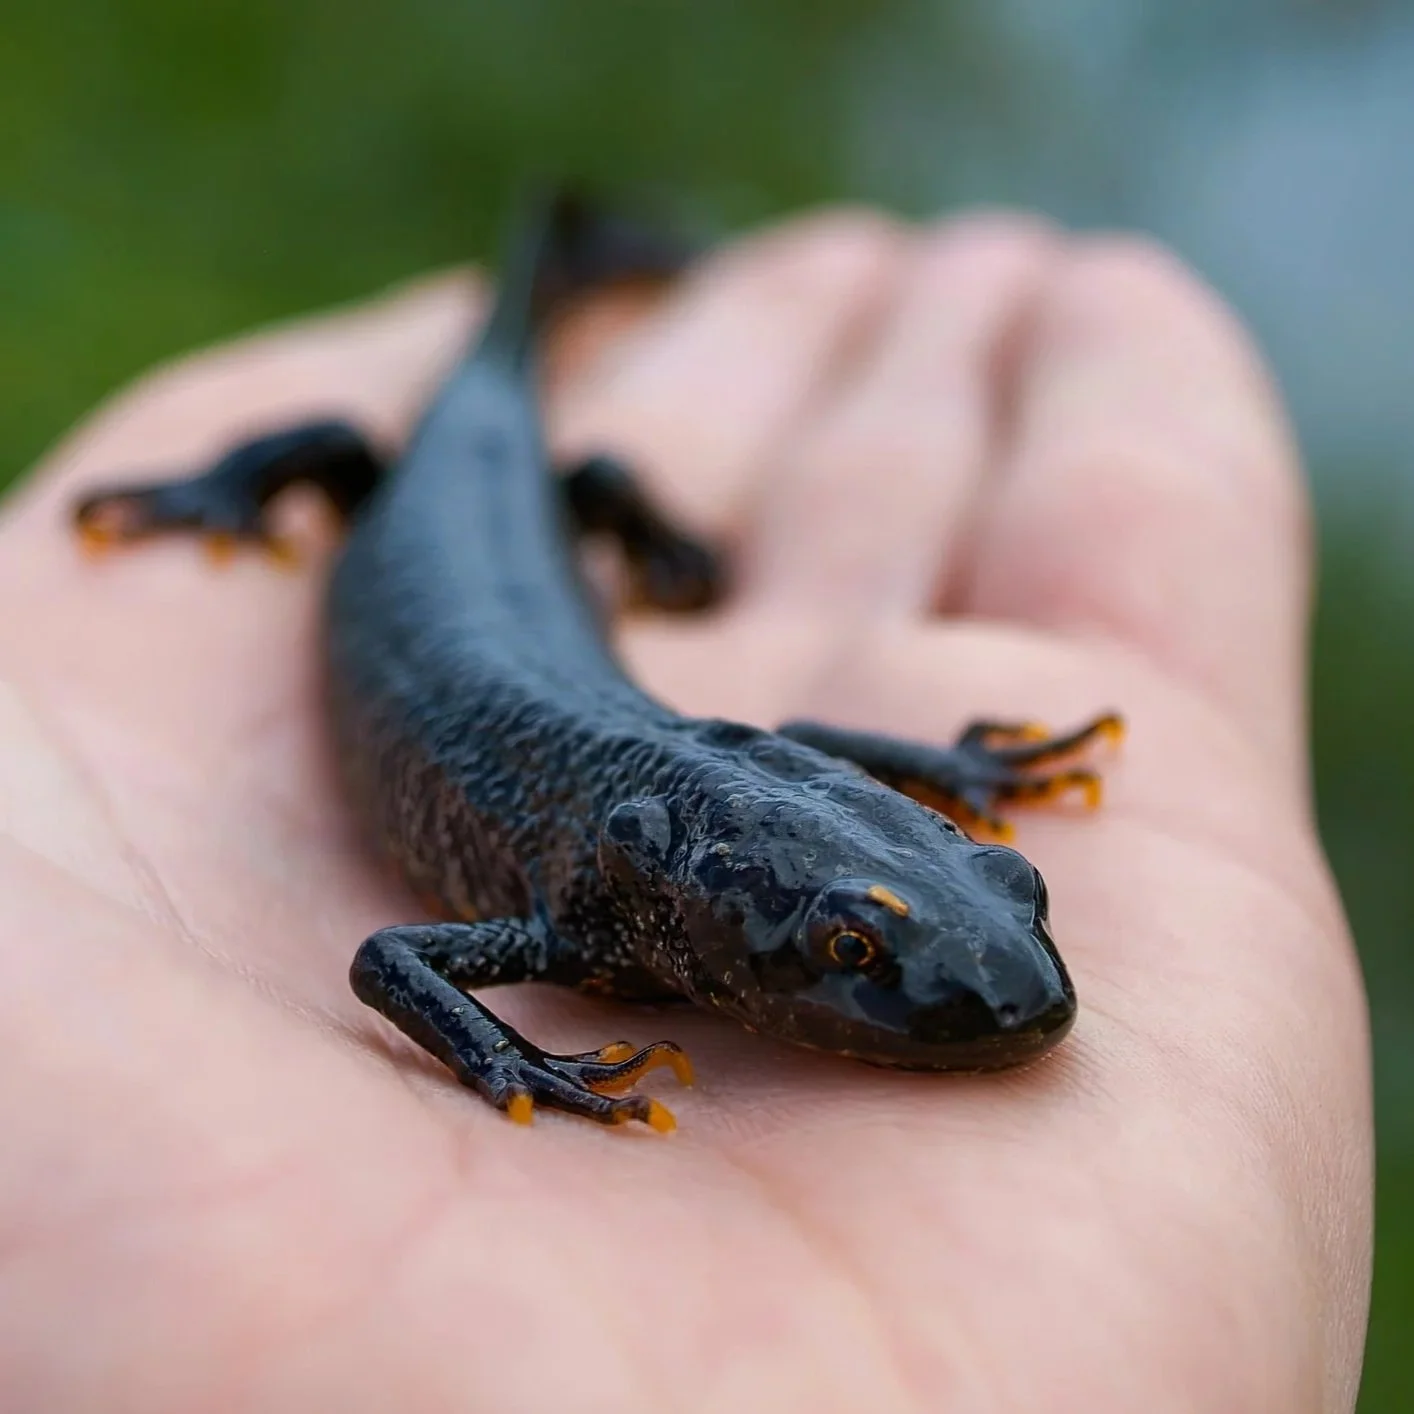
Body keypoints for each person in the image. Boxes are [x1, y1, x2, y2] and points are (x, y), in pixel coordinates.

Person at [0, 209, 1370, 1410]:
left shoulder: (663, 868)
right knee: (386, 458)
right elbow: (393, 961)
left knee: (562, 485)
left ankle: (600, 428)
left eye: (995, 876)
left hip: (524, 537)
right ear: (689, 913)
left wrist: (952, 773)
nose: (919, 972)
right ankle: (472, 338)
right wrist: (508, 1066)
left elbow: (805, 753)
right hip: (429, 515)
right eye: (852, 952)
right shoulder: (591, 911)